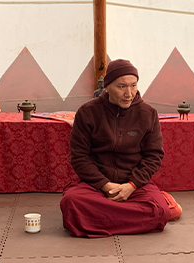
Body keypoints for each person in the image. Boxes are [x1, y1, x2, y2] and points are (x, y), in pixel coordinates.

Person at [60, 59, 182, 237]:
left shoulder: (148, 114)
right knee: (71, 203)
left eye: (133, 86)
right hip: (97, 186)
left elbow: (154, 156)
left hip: (135, 186)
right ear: (107, 87)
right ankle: (136, 216)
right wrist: (105, 185)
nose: (129, 93)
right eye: (121, 87)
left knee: (160, 212)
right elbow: (80, 158)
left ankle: (100, 218)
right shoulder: (87, 113)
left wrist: (131, 185)